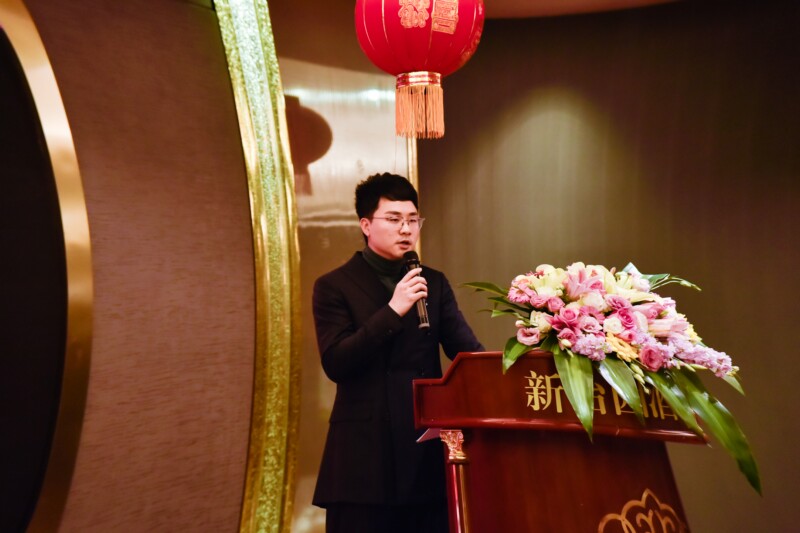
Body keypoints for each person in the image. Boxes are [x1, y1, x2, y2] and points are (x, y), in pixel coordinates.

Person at [311, 172, 484, 533]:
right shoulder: (333, 286)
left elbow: (468, 354)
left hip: (423, 454)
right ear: (366, 225)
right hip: (362, 461)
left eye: (412, 219)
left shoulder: (433, 282)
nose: (406, 229)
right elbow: (337, 362)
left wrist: (520, 351)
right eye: (393, 219)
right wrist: (393, 310)